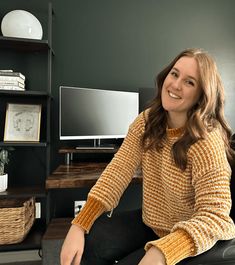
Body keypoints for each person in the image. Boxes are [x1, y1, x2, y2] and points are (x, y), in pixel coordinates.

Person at [60, 48, 235, 265]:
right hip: (153, 224)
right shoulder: (146, 121)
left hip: (190, 237)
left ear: (201, 95)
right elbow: (116, 173)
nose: (176, 85)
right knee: (88, 242)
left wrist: (163, 251)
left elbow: (215, 216)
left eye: (190, 82)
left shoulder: (206, 140)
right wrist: (79, 224)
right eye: (174, 74)